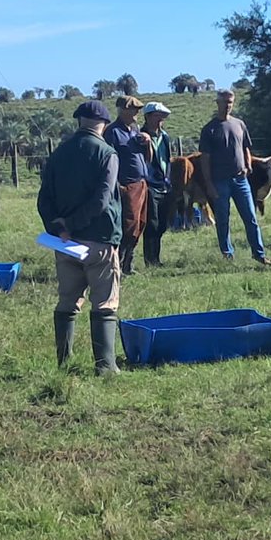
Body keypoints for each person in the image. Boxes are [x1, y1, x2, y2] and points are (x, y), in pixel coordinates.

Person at [38, 100, 122, 376]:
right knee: (105, 302)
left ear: (79, 121)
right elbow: (102, 200)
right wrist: (75, 223)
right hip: (99, 239)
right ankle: (105, 366)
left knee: (67, 301)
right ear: (104, 125)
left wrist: (59, 228)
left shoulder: (59, 153)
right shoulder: (107, 153)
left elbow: (44, 199)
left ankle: (64, 363)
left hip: (65, 243)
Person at [198, 89, 271, 266]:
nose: (227, 105)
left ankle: (259, 254)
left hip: (240, 180)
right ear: (217, 103)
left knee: (251, 218)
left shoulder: (239, 124)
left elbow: (245, 147)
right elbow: (205, 159)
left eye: (230, 102)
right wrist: (209, 184)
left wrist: (248, 165)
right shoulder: (209, 129)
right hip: (219, 181)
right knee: (223, 219)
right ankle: (227, 254)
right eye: (224, 102)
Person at [103, 95, 150, 275]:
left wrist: (147, 142)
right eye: (133, 109)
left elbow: (145, 156)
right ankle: (118, 264)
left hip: (141, 183)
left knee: (140, 224)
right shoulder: (112, 132)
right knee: (128, 225)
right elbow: (108, 160)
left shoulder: (135, 130)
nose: (137, 113)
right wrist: (117, 185)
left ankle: (128, 264)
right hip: (126, 185)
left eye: (138, 109)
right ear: (122, 110)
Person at [140, 101, 173, 267]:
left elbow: (168, 159)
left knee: (162, 223)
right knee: (151, 223)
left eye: (162, 116)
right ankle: (150, 259)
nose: (160, 119)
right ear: (147, 117)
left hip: (164, 184)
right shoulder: (141, 136)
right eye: (157, 116)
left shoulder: (164, 137)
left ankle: (156, 258)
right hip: (150, 184)